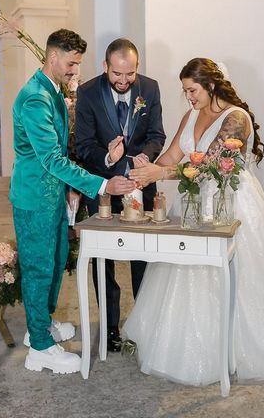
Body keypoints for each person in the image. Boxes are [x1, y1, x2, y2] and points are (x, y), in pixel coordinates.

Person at [123, 58, 264, 385]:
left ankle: (242, 346)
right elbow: (173, 157)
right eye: (185, 90)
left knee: (238, 272)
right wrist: (147, 172)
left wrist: (162, 174)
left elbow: (212, 166)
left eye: (192, 90)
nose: (188, 96)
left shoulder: (237, 119)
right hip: (193, 204)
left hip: (232, 204)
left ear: (211, 84)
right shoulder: (190, 115)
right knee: (185, 271)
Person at [9, 29, 135, 375]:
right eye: (70, 63)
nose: (74, 71)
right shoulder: (35, 98)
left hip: (54, 195)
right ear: (52, 57)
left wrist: (71, 189)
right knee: (38, 269)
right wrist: (101, 184)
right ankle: (40, 347)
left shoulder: (50, 90)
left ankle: (42, 323)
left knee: (55, 259)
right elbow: (51, 158)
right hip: (35, 196)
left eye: (77, 64)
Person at [75, 38, 166, 351]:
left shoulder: (150, 89)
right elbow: (83, 146)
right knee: (104, 259)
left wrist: (147, 157)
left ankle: (143, 325)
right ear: (105, 67)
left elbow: (157, 135)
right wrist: (109, 160)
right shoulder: (87, 93)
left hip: (142, 183)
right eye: (117, 75)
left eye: (130, 75)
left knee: (144, 256)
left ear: (137, 68)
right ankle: (111, 328)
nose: (124, 81)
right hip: (103, 188)